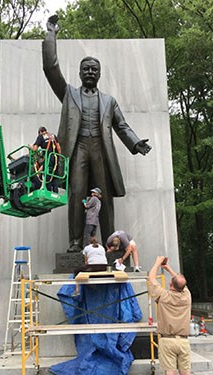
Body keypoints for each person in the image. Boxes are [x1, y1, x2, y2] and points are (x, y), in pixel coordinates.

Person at [42, 15, 152, 252]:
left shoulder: (108, 101)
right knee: (76, 195)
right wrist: (51, 34)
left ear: (99, 74)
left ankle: (110, 242)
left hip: (101, 151)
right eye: (86, 69)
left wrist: (136, 144)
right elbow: (50, 69)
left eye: (94, 69)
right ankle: (74, 243)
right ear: (80, 73)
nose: (90, 72)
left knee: (105, 199)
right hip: (78, 148)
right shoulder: (69, 94)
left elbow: (121, 126)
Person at [148, 256, 192, 375]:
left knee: (170, 372)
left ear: (170, 284)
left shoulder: (163, 296)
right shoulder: (187, 297)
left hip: (167, 340)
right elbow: (181, 283)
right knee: (185, 372)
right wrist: (168, 268)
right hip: (183, 341)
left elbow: (151, 278)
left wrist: (157, 263)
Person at [29, 126, 61, 192]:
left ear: (40, 132)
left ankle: (49, 192)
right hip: (56, 159)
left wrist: (30, 146)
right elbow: (59, 148)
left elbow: (35, 149)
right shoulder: (53, 136)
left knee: (47, 177)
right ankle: (55, 193)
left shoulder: (41, 136)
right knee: (54, 176)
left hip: (49, 159)